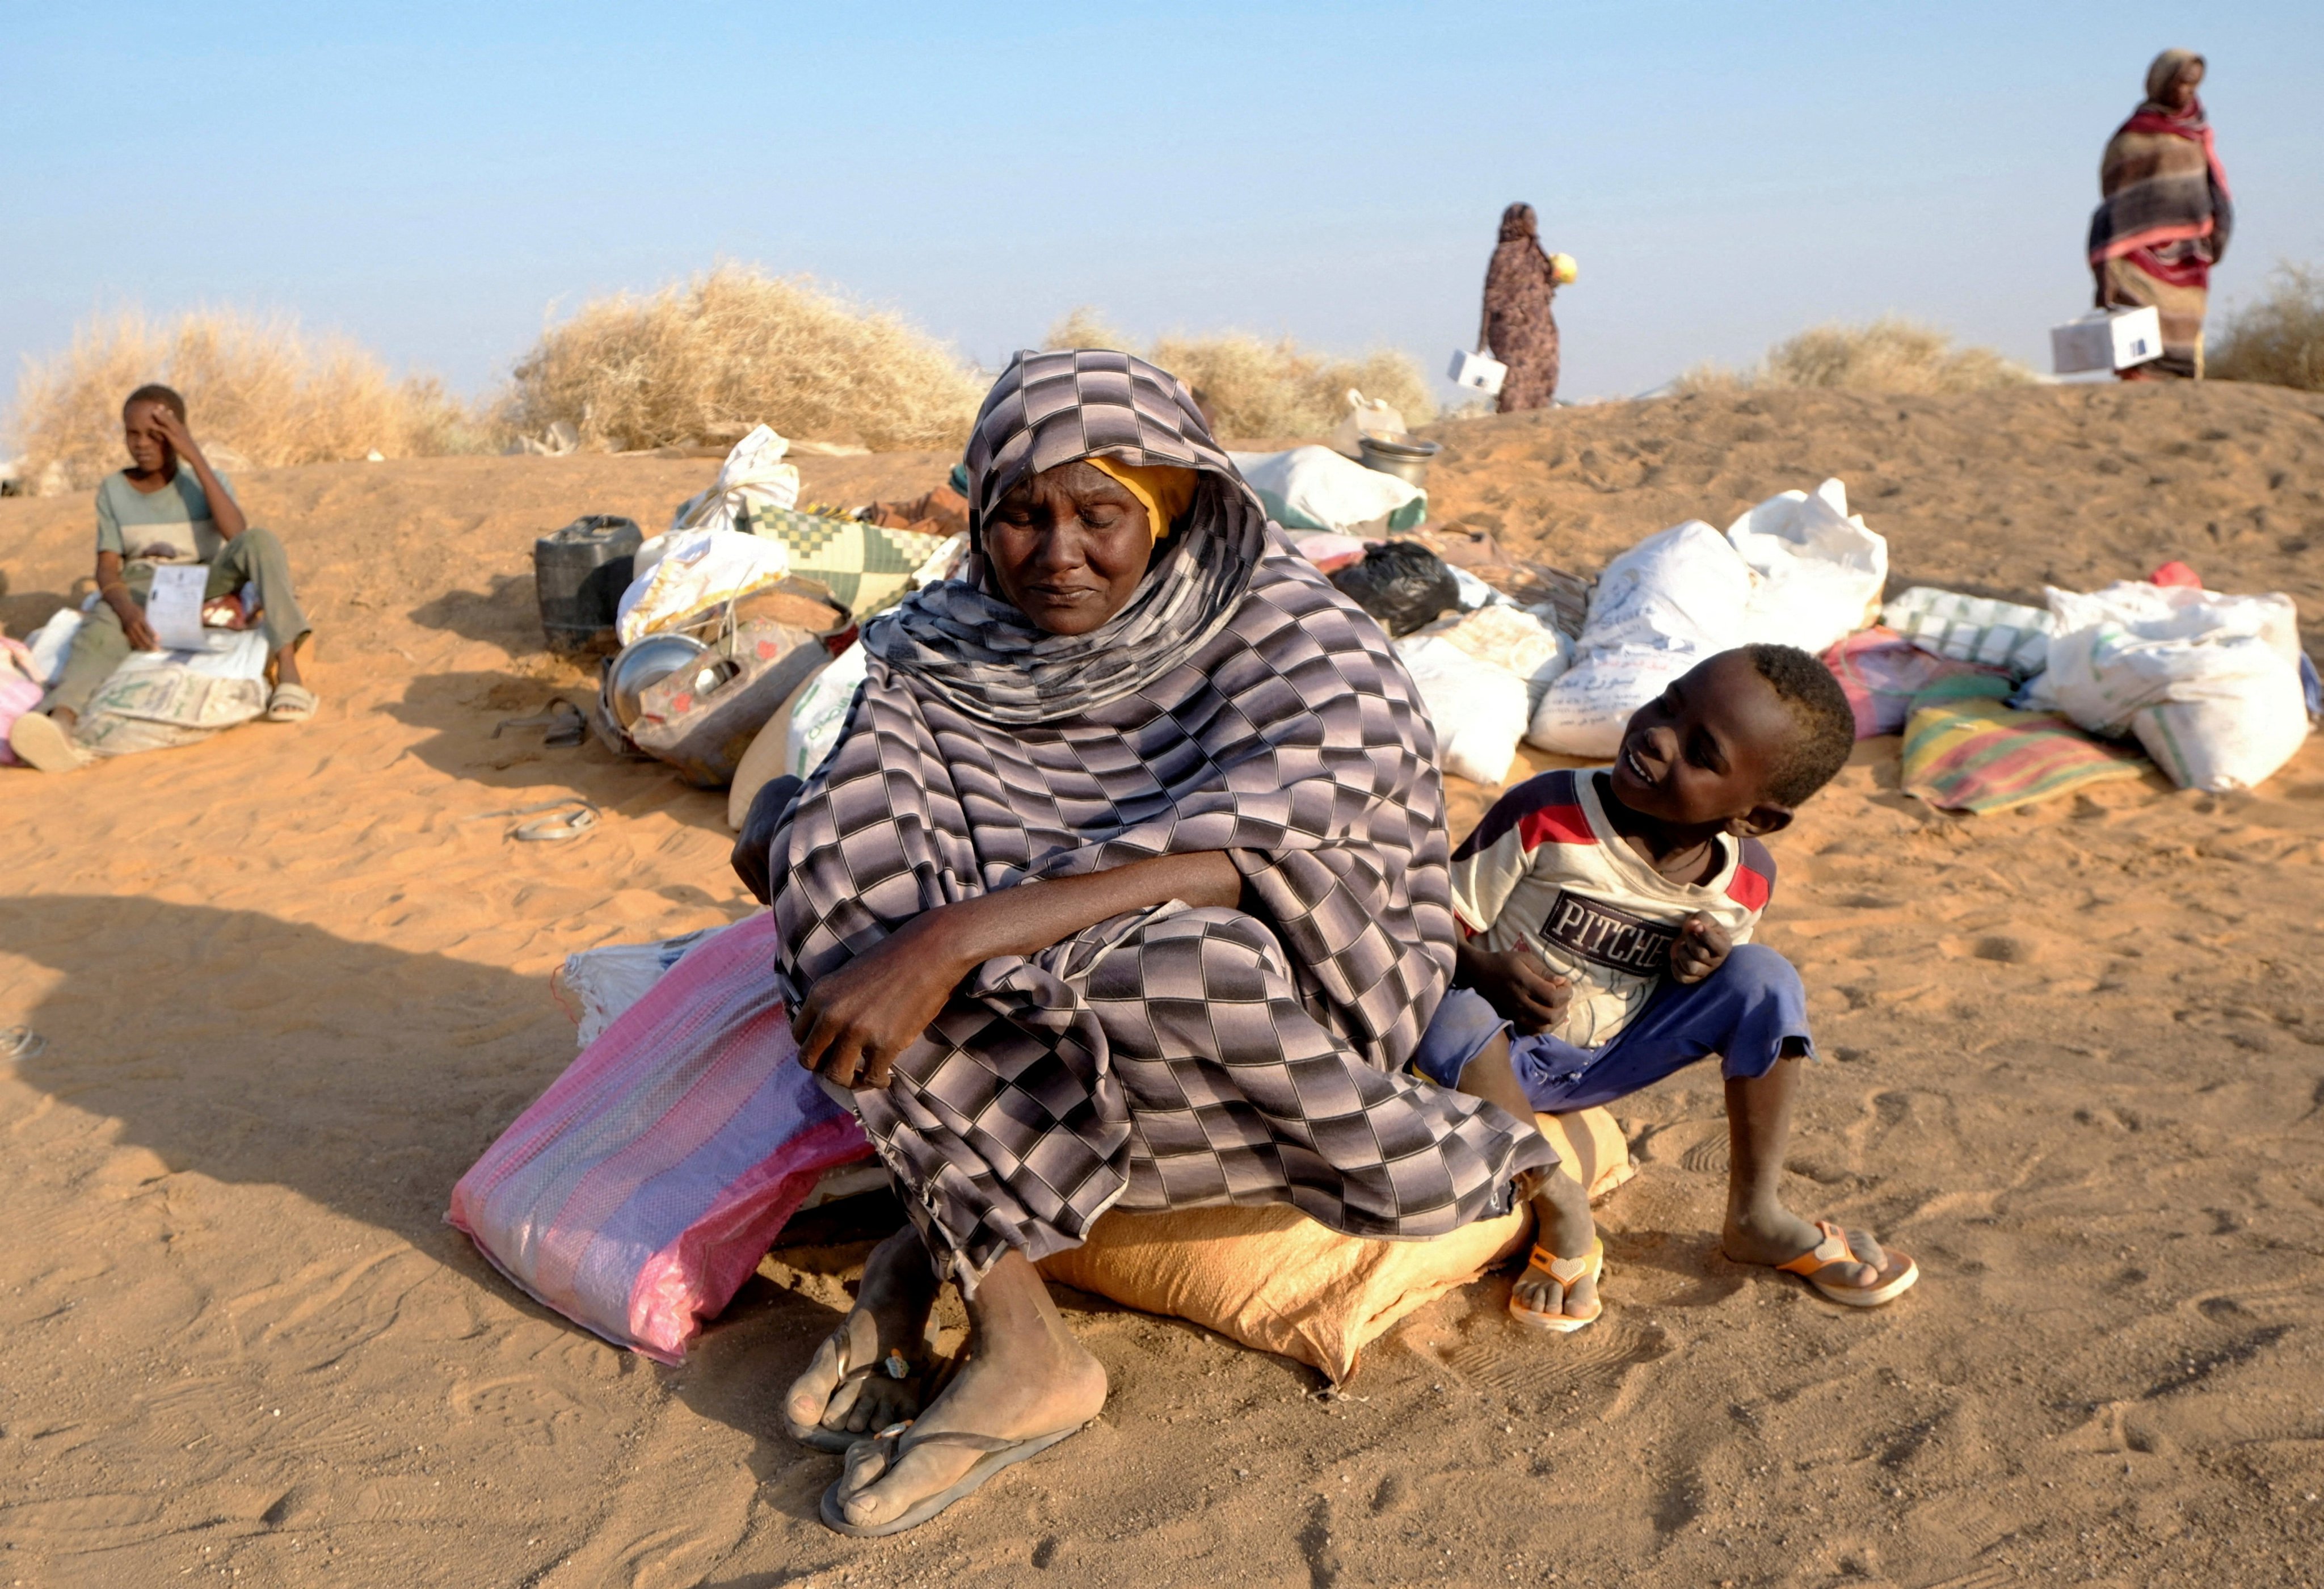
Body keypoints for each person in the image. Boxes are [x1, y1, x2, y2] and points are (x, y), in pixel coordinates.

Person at [740, 350, 1555, 1537]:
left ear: (1171, 505)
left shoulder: (1296, 632)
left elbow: (1286, 844)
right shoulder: (950, 640)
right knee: (835, 889)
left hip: (1281, 965)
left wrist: (963, 933)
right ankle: (1021, 1339)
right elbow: (869, 792)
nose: (1054, 551)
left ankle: (926, 1248)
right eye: (1019, 513)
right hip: (1030, 930)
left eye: (1098, 513)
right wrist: (808, 850)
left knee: (1161, 966)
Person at [1414, 646, 1919, 1332]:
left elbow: (1714, 989)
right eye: (1667, 703)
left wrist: (1701, 965)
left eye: (1700, 751)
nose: (1657, 735)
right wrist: (1484, 968)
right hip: (1486, 1055)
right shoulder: (1549, 812)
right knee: (1446, 1005)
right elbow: (1425, 927)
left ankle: (1756, 1215)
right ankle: (1557, 1196)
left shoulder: (1746, 879)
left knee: (1765, 975)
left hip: (1599, 1062)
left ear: (1753, 818)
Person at [7, 385, 315, 772]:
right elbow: (107, 567)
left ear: (178, 434)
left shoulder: (207, 480)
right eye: (132, 434)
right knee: (102, 628)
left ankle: (289, 671)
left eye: (156, 434)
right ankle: (61, 723)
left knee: (261, 542)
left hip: (201, 582)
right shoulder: (114, 490)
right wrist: (125, 610)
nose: (142, 444)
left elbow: (237, 534)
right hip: (141, 585)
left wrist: (194, 457)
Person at [2089, 49, 2232, 380]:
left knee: (2182, 326)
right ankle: (2138, 394)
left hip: (2189, 253)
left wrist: (2218, 229)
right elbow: (2116, 194)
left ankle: (2177, 391)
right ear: (2161, 82)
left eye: (2194, 85)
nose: (2188, 92)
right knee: (2139, 325)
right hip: (2137, 250)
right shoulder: (2134, 134)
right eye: (2181, 83)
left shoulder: (2199, 131)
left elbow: (2212, 186)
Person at [1478, 201, 1564, 413]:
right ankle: (1510, 425)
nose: (1534, 224)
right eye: (1530, 220)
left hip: (1540, 328)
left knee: (1544, 372)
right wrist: (1482, 340)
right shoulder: (1504, 254)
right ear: (1517, 223)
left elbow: (1544, 286)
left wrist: (1555, 278)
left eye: (1536, 220)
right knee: (1514, 380)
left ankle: (1538, 419)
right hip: (1512, 332)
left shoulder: (1536, 252)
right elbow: (1491, 297)